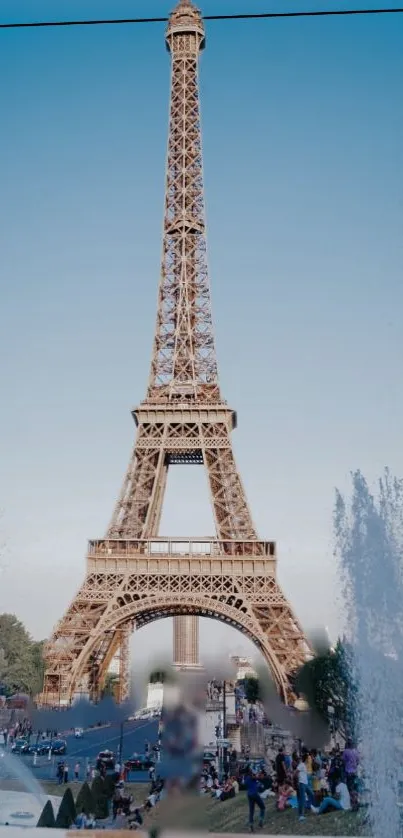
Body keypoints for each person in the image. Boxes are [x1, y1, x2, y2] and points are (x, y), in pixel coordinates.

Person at [296, 752, 315, 822]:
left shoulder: (304, 765)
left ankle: (309, 807)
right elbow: (296, 772)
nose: (308, 759)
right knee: (303, 799)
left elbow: (304, 774)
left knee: (312, 794)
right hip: (302, 784)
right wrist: (298, 781)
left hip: (305, 784)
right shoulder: (301, 765)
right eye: (308, 758)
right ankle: (301, 816)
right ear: (305, 759)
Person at [244, 769, 265, 833]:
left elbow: (246, 784)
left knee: (251, 811)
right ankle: (261, 822)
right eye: (254, 774)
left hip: (249, 795)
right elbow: (261, 786)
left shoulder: (247, 778)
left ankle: (251, 825)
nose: (255, 775)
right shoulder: (255, 779)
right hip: (255, 794)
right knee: (263, 807)